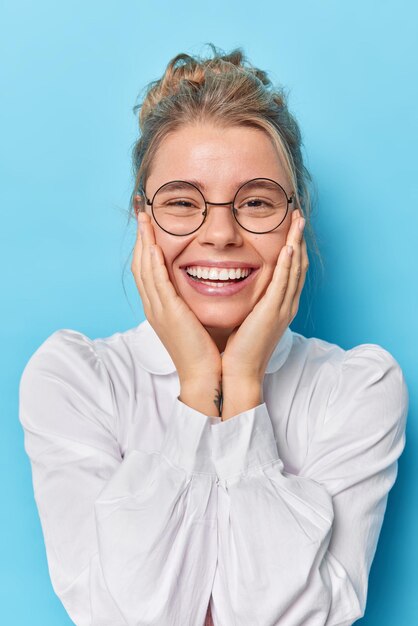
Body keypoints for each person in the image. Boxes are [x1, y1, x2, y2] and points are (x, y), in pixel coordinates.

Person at [19, 46, 408, 626]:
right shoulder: (74, 382)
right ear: (142, 219)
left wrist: (244, 385)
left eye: (255, 202)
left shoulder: (357, 390)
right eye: (182, 202)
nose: (221, 233)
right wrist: (200, 384)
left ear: (295, 221)